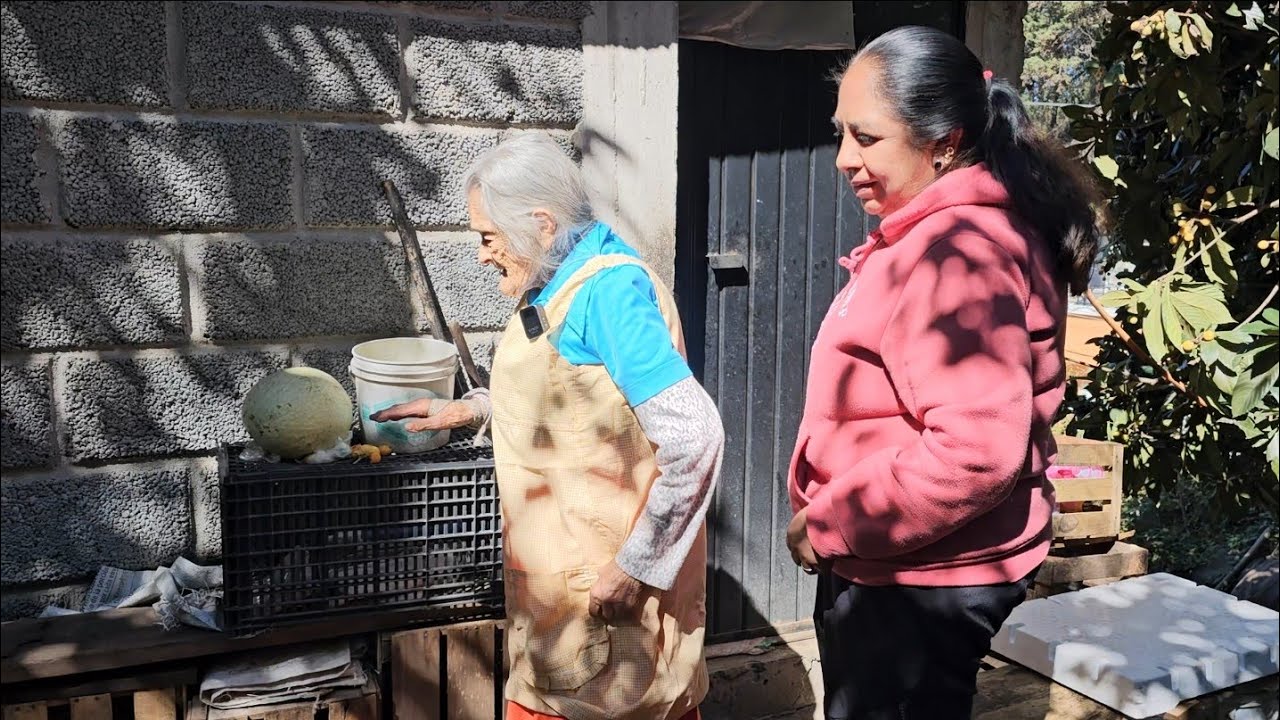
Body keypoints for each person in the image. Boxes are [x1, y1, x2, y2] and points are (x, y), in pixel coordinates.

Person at [785, 26, 1102, 720]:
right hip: (906, 565)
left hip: (919, 578)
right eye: (841, 134)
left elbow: (974, 452)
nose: (843, 159)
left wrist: (830, 523)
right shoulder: (941, 234)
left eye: (866, 139)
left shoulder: (961, 256)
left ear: (945, 141)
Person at [371, 132, 724, 720]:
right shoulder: (556, 288)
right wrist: (469, 409)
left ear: (540, 223)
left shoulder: (608, 294)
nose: (482, 254)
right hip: (564, 608)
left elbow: (695, 435)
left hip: (606, 612)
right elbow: (573, 399)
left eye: (487, 237)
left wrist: (635, 568)